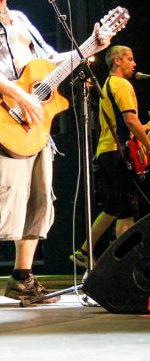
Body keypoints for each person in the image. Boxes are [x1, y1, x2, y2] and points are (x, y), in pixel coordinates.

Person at [0, 0, 112, 307]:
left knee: (39, 198)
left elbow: (50, 62)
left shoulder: (23, 20)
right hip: (1, 116)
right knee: (0, 197)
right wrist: (19, 96)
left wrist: (89, 46)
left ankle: (22, 279)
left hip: (35, 123)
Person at [70, 45, 150, 269]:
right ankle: (122, 265)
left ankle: (85, 251)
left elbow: (121, 125)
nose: (134, 64)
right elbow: (130, 121)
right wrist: (148, 144)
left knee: (115, 206)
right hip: (118, 152)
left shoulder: (106, 85)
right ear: (117, 61)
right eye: (130, 59)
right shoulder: (122, 84)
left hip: (106, 151)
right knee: (127, 207)